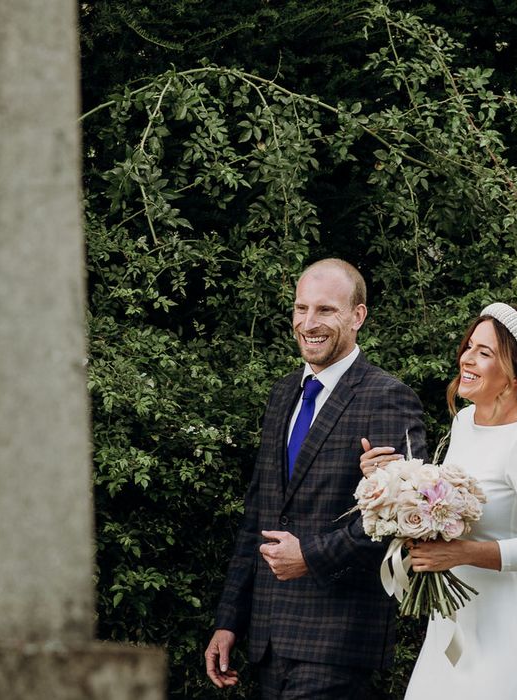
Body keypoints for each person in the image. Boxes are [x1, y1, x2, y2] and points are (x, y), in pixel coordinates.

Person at [204, 258, 427, 699]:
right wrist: (230, 618)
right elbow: (259, 513)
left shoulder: (388, 398)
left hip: (338, 636)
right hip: (268, 637)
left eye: (325, 310)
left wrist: (311, 554)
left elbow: (401, 516)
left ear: (357, 316)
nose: (309, 322)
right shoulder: (284, 392)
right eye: (300, 309)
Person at [361, 303, 517, 699]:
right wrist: (394, 483)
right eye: (470, 346)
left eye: (484, 352)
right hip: (451, 630)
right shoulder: (464, 422)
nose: (466, 358)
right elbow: (450, 503)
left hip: (506, 634)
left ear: (516, 371)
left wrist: (463, 553)